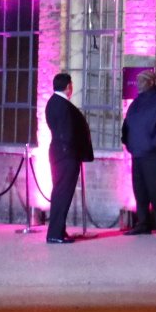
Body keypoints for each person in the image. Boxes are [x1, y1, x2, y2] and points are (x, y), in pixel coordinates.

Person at [121, 71, 156, 235]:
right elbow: (127, 124)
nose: (138, 83)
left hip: (154, 154)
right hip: (137, 153)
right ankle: (143, 223)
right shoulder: (136, 103)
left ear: (151, 82)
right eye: (137, 80)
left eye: (142, 81)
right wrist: (128, 142)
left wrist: (153, 144)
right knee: (140, 190)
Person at [44, 72, 94, 243]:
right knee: (62, 193)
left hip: (59, 152)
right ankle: (55, 234)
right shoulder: (63, 105)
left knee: (60, 192)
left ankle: (59, 230)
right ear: (68, 87)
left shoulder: (53, 102)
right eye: (71, 85)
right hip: (66, 154)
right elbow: (67, 133)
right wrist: (74, 151)